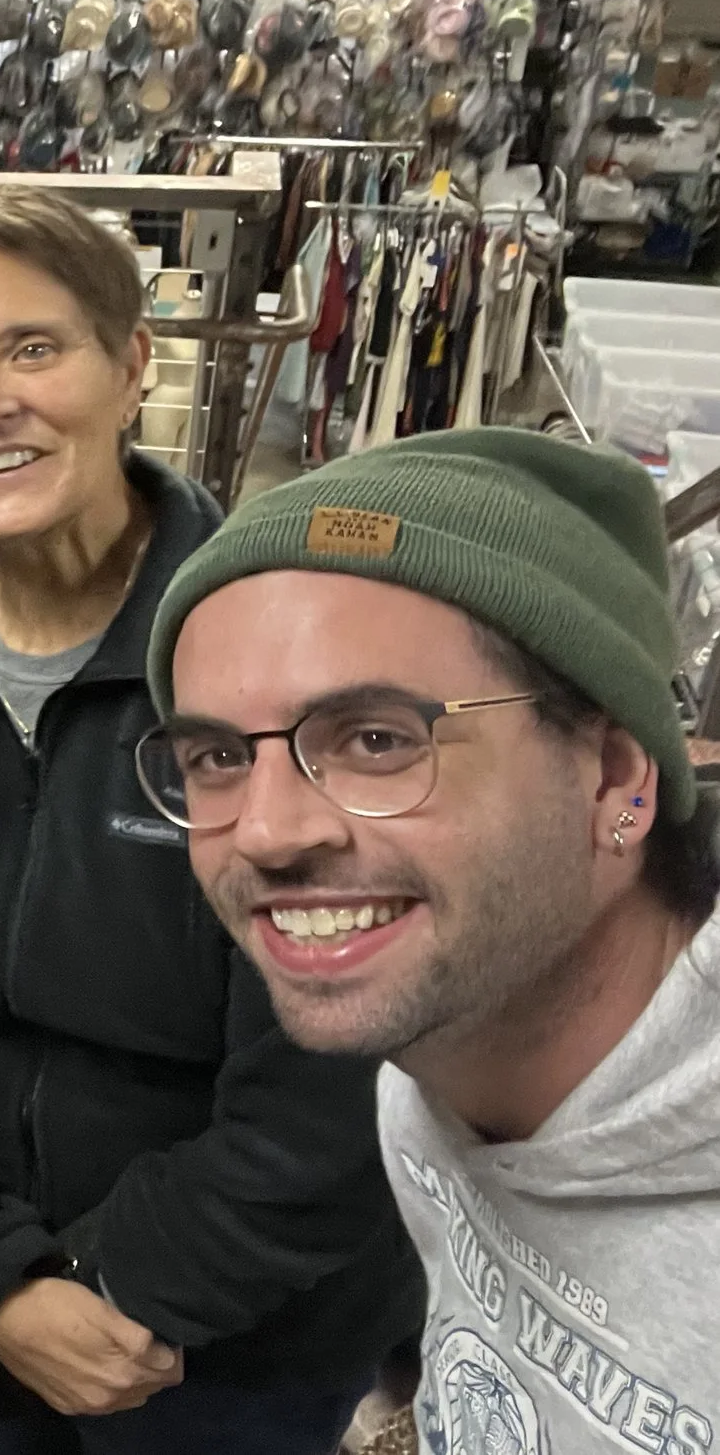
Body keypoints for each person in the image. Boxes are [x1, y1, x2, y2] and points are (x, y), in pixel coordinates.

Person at [0, 183, 420, 1452]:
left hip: (222, 1314)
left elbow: (334, 1076)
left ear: (131, 365)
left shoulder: (283, 663)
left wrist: (82, 1299)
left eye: (32, 348)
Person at [147, 428, 720, 1455]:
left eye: (377, 740)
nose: (268, 832)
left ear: (614, 778)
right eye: (218, 757)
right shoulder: (429, 1056)